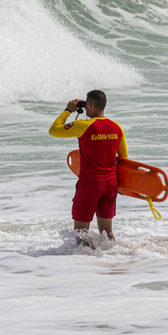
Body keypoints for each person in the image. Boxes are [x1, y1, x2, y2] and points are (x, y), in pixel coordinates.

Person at [49, 90, 128, 241]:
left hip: (90, 185)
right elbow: (123, 159)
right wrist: (121, 186)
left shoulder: (82, 125)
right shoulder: (117, 128)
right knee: (107, 234)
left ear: (90, 105)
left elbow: (53, 131)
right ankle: (114, 259)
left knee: (81, 235)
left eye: (86, 105)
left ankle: (84, 263)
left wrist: (68, 110)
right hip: (110, 185)